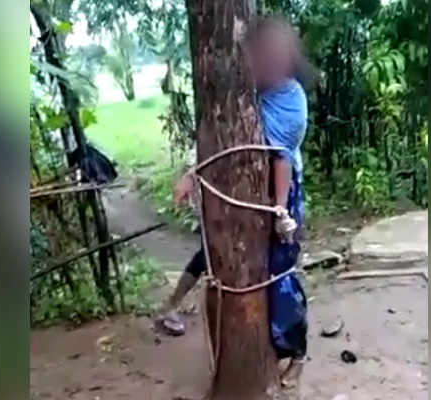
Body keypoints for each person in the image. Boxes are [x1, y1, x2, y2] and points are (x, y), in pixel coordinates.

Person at [158, 16, 312, 387]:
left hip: (279, 196)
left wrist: (279, 213)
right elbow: (226, 146)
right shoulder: (243, 97)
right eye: (261, 56)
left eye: (276, 56)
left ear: (288, 59)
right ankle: (175, 309)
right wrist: (192, 175)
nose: (267, 63)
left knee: (280, 275)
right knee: (215, 256)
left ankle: (297, 352)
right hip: (241, 192)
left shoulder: (291, 101)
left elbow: (281, 158)